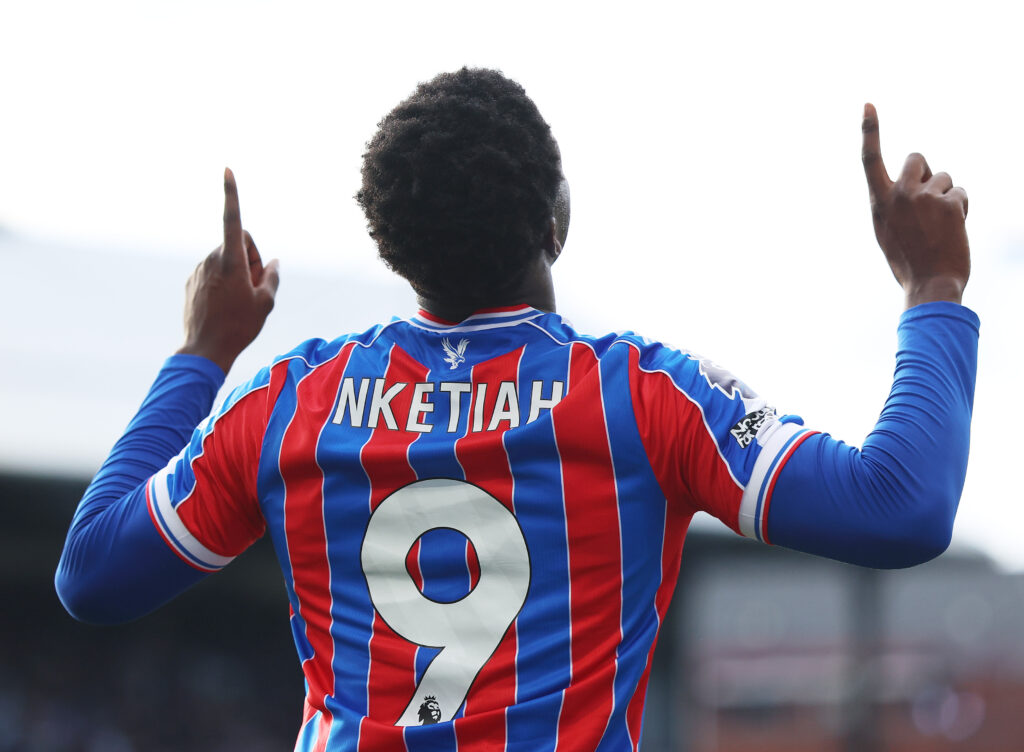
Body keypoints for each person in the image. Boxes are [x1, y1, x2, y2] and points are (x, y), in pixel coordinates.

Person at [55, 68, 977, 751]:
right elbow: (899, 505)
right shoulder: (643, 395)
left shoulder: (286, 402)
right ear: (557, 219)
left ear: (395, 245)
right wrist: (932, 287)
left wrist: (201, 354)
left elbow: (92, 574)